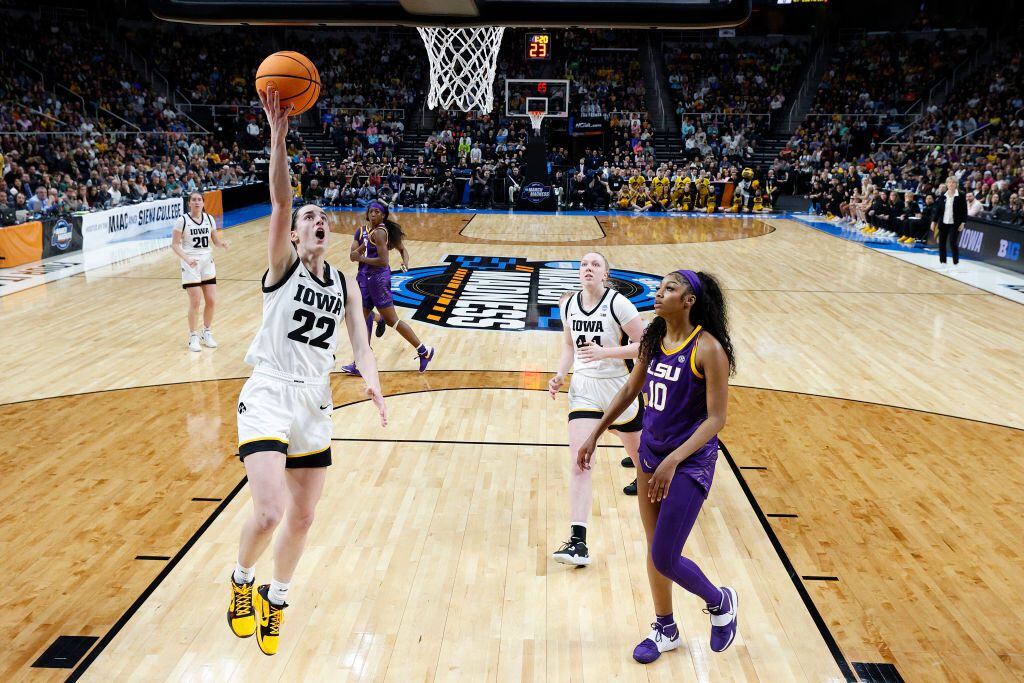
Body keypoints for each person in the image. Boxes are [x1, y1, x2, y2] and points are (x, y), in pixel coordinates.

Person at [227, 87, 387, 656]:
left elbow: (361, 344)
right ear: (294, 235)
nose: (317, 221)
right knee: (268, 511)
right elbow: (278, 200)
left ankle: (278, 597)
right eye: (308, 218)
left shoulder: (343, 284)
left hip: (315, 402)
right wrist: (279, 136)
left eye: (322, 217)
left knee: (304, 517)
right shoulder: (282, 268)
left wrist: (372, 380)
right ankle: (242, 583)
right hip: (269, 392)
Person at [578, 269, 738, 663]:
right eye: (659, 286)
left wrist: (674, 460)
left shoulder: (708, 349)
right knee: (655, 550)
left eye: (669, 288)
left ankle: (720, 602)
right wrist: (597, 432)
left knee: (666, 554)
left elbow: (716, 419)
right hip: (652, 455)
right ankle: (665, 627)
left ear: (688, 301)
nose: (658, 292)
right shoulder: (653, 338)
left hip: (688, 462)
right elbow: (632, 388)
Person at [549, 253, 647, 566]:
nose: (588, 268)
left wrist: (607, 352)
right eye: (583, 264)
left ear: (605, 274)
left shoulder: (618, 303)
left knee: (643, 462)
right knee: (580, 461)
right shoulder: (567, 304)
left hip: (621, 391)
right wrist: (561, 374)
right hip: (584, 391)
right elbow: (568, 346)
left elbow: (645, 345)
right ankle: (578, 542)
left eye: (595, 265)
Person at [341, 201, 435, 375]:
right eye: (371, 212)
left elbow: (384, 261)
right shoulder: (368, 232)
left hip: (377, 279)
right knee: (360, 321)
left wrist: (360, 258)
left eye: (377, 212)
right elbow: (360, 251)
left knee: (393, 321)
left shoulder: (380, 233)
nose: (374, 214)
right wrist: (356, 254)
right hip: (366, 279)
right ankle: (361, 363)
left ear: (383, 215)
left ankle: (424, 351)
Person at [170, 191, 229, 352]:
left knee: (211, 300)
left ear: (203, 202)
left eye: (199, 200)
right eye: (193, 200)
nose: (196, 202)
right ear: (189, 203)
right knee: (195, 301)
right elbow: (175, 244)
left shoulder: (209, 219)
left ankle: (207, 332)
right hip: (191, 263)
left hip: (207, 262)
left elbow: (215, 240)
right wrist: (187, 259)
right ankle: (193, 336)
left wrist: (221, 244)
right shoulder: (182, 220)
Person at [932, 176, 968, 270]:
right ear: (947, 184)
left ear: (956, 184)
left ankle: (956, 263)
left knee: (952, 242)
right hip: (943, 222)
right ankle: (943, 262)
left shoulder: (961, 195)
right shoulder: (943, 195)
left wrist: (963, 222)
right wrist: (934, 221)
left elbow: (964, 210)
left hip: (955, 223)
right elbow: (939, 210)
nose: (951, 184)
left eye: (953, 182)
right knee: (942, 243)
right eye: (949, 182)